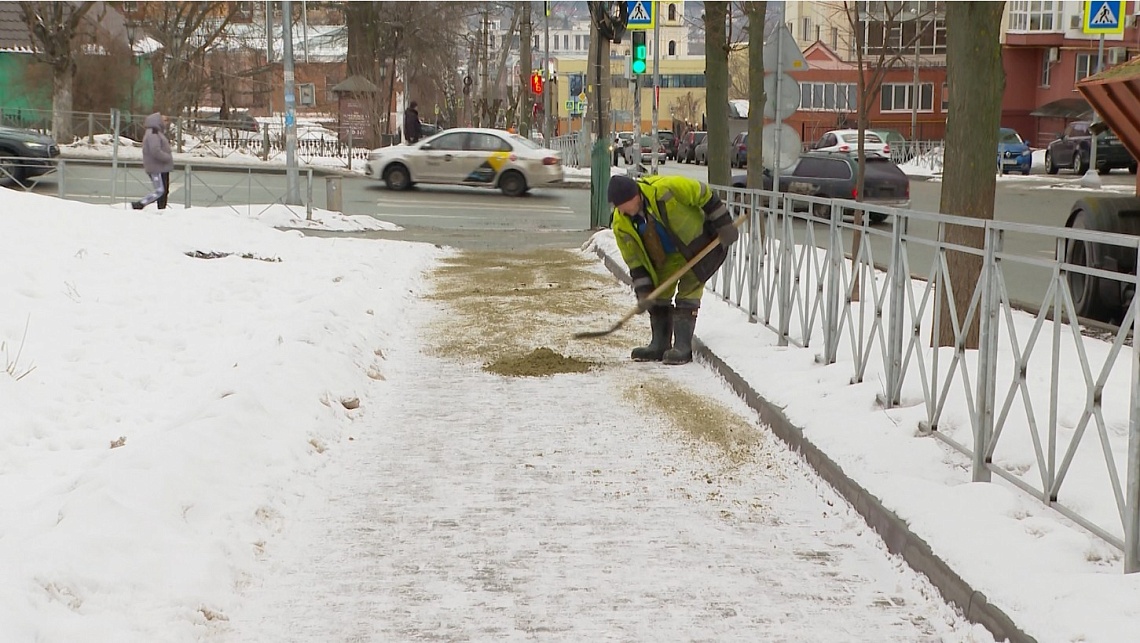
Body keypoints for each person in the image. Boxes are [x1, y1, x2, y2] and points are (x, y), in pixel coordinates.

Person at [607, 174, 739, 365]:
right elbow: (635, 261)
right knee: (658, 296)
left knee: (689, 291)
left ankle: (682, 347)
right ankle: (659, 344)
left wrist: (724, 224)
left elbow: (704, 194)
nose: (622, 209)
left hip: (698, 247)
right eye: (618, 206)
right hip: (665, 259)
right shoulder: (621, 224)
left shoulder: (666, 188)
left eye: (624, 203)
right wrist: (644, 292)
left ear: (636, 194)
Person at [132, 112, 173, 210]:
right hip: (157, 167)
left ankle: (161, 209)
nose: (167, 123)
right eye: (164, 120)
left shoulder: (157, 132)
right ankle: (140, 204)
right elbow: (155, 150)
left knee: (164, 191)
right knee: (160, 191)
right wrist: (167, 157)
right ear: (158, 121)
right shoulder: (153, 133)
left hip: (161, 167)